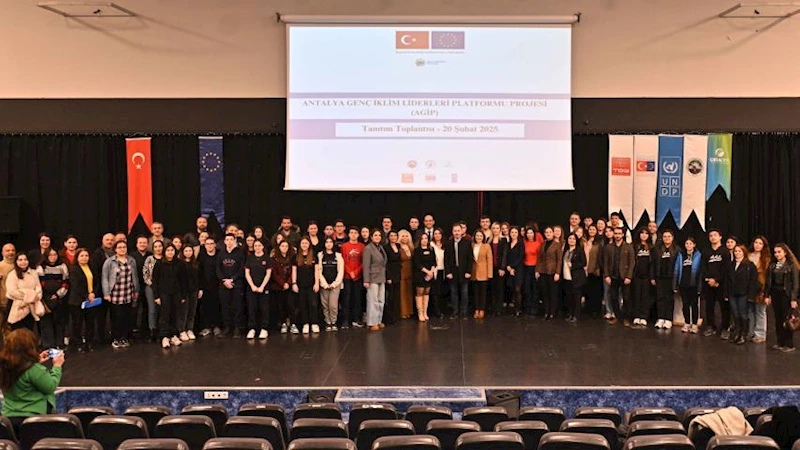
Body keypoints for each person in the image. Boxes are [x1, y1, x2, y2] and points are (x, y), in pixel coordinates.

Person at [0, 328, 65, 433]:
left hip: (9, 419)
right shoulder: (33, 369)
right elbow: (50, 386)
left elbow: (20, 371)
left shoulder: (4, 367)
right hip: (34, 420)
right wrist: (57, 367)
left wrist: (36, 361)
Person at [102, 240, 140, 349]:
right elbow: (105, 278)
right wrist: (106, 293)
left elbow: (135, 277)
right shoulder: (110, 262)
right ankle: (116, 338)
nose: (122, 249)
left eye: (124, 247)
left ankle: (124, 337)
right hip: (115, 294)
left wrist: (136, 291)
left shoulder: (131, 260)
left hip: (128, 293)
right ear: (115, 249)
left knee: (126, 317)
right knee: (116, 317)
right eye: (119, 247)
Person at [764, 243, 799, 353]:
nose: (777, 254)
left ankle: (789, 344)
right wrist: (767, 295)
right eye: (775, 252)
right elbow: (768, 282)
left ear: (785, 253)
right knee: (778, 318)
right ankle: (780, 342)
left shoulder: (791, 266)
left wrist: (793, 298)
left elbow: (795, 284)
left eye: (779, 252)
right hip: (776, 294)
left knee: (786, 319)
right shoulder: (773, 265)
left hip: (786, 295)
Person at [152, 244, 188, 349]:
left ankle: (173, 335)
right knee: (164, 315)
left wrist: (183, 296)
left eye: (172, 250)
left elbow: (183, 281)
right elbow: (155, 281)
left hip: (176, 293)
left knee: (175, 314)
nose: (170, 252)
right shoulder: (159, 264)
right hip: (164, 293)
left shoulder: (180, 264)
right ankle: (164, 337)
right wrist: (156, 296)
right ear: (164, 251)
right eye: (168, 250)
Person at [725, 244, 759, 345]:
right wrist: (726, 293)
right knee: (735, 313)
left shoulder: (749, 265)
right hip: (732, 293)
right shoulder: (730, 265)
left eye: (739, 251)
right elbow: (727, 280)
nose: (737, 253)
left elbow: (753, 281)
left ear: (744, 252)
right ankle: (737, 332)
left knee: (743, 314)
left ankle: (744, 334)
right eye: (735, 251)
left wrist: (751, 295)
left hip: (744, 293)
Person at [36, 249, 68, 349]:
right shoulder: (40, 268)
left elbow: (66, 282)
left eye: (55, 254)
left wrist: (58, 295)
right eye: (50, 255)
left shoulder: (62, 266)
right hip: (44, 298)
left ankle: (60, 343)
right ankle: (48, 345)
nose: (53, 257)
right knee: (46, 323)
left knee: (59, 322)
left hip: (58, 298)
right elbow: (38, 284)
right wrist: (45, 296)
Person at [68, 249, 99, 352]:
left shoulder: (92, 267)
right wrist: (87, 295)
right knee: (78, 323)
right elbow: (76, 285)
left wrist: (93, 293)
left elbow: (96, 281)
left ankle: (89, 342)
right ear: (77, 257)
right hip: (77, 301)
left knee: (90, 322)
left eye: (86, 255)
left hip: (91, 300)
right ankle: (78, 343)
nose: (84, 258)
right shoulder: (74, 269)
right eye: (82, 256)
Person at [603, 227, 635, 326]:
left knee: (626, 298)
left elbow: (632, 262)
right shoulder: (608, 247)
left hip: (624, 276)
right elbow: (605, 263)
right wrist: (606, 275)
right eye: (616, 233)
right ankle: (617, 316)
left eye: (619, 233)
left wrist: (629, 276)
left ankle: (626, 318)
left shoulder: (629, 246)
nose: (617, 235)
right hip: (613, 276)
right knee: (613, 297)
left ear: (622, 235)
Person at [702, 229, 730, 338]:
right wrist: (709, 279)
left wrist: (717, 280)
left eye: (715, 235)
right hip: (709, 283)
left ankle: (725, 328)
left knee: (724, 307)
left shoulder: (725, 251)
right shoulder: (706, 251)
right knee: (709, 306)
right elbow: (703, 267)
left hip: (721, 284)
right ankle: (711, 326)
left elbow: (726, 268)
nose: (713, 237)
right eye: (711, 235)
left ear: (720, 237)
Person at [216, 233, 245, 338]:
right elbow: (218, 268)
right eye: (227, 239)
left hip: (236, 284)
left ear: (235, 241)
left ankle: (237, 328)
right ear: (224, 241)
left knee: (237, 307)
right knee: (225, 307)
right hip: (224, 284)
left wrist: (232, 279)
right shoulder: (221, 254)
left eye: (231, 239)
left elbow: (242, 268)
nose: (229, 241)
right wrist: (224, 280)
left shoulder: (240, 253)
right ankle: (227, 327)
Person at [5, 254, 43, 332]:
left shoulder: (33, 273)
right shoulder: (12, 274)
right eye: (20, 260)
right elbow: (12, 291)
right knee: (17, 332)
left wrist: (34, 297)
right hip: (16, 306)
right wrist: (28, 296)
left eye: (25, 259)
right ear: (16, 262)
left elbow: (38, 288)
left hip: (31, 307)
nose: (23, 262)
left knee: (30, 332)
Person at [650, 230, 679, 330]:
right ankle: (660, 318)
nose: (667, 238)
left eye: (669, 236)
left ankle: (668, 319)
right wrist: (652, 277)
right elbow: (653, 264)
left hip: (671, 278)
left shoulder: (677, 249)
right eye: (665, 236)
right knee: (660, 298)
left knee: (669, 299)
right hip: (659, 277)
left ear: (672, 238)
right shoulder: (657, 249)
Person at [675, 237, 702, 333]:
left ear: (694, 245)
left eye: (690, 243)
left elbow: (700, 271)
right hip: (683, 283)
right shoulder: (681, 255)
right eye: (687, 243)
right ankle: (686, 323)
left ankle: (694, 324)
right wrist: (675, 284)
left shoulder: (698, 255)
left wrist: (699, 286)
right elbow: (676, 269)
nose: (688, 245)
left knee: (694, 305)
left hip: (694, 284)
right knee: (685, 304)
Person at [445, 223, 473, 319]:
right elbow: (446, 259)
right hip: (453, 272)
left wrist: (469, 271)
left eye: (458, 231)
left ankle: (464, 312)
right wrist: (448, 272)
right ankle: (455, 312)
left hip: (464, 272)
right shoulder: (448, 243)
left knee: (464, 292)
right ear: (452, 232)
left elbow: (470, 258)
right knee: (453, 292)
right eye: (455, 231)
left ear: (462, 231)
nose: (456, 233)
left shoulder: (467, 243)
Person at [244, 239, 271, 339]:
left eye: (259, 245)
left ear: (263, 246)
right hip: (252, 287)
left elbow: (268, 274)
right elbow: (247, 273)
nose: (257, 247)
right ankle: (252, 328)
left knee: (264, 308)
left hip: (264, 287)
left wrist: (262, 287)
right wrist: (252, 286)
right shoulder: (250, 258)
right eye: (255, 245)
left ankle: (264, 328)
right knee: (252, 308)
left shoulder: (267, 258)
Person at [293, 237, 320, 334]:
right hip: (300, 285)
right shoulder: (296, 256)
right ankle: (305, 324)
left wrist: (317, 283)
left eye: (306, 243)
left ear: (309, 245)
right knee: (302, 305)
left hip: (311, 285)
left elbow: (317, 270)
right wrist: (294, 283)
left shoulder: (314, 255)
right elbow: (294, 271)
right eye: (302, 243)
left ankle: (314, 323)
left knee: (313, 304)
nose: (304, 245)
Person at [92, 233, 115, 345]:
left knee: (114, 315)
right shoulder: (97, 254)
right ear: (102, 241)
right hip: (101, 289)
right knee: (101, 315)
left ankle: (114, 336)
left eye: (111, 240)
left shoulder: (117, 252)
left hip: (115, 289)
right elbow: (95, 273)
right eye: (107, 240)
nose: (109, 242)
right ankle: (101, 337)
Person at [363, 229, 388, 330]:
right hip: (372, 278)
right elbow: (366, 265)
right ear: (371, 237)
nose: (377, 237)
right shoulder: (368, 248)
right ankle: (372, 322)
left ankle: (378, 320)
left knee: (381, 300)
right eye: (375, 235)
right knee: (373, 301)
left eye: (379, 235)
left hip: (381, 277)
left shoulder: (381, 247)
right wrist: (366, 280)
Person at [536, 226, 563, 321]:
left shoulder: (557, 245)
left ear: (553, 233)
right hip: (543, 271)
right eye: (546, 232)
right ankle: (546, 311)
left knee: (553, 293)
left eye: (550, 232)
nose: (548, 234)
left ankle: (552, 312)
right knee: (545, 292)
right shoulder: (542, 244)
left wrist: (557, 272)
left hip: (552, 272)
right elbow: (539, 258)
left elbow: (559, 260)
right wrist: (537, 270)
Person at [340, 227, 365, 329]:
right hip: (347, 276)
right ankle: (345, 320)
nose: (353, 234)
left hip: (358, 277)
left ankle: (356, 319)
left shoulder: (362, 246)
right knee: (346, 299)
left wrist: (356, 272)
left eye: (355, 233)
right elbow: (343, 260)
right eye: (351, 232)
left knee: (357, 299)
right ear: (349, 234)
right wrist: (350, 271)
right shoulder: (344, 246)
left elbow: (363, 262)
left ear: (358, 235)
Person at [748, 236, 771, 343]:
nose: (757, 245)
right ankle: (750, 332)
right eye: (756, 242)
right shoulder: (748, 255)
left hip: (761, 287)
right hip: (749, 286)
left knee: (760, 311)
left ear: (763, 246)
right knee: (750, 311)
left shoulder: (766, 258)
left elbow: (768, 277)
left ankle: (760, 334)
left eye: (760, 243)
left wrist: (766, 293)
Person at [318, 237, 343, 331]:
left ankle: (333, 321)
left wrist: (334, 284)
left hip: (335, 285)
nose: (329, 244)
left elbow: (341, 271)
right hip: (324, 285)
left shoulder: (338, 256)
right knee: (325, 305)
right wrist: (324, 284)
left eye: (330, 242)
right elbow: (319, 271)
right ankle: (328, 322)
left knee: (333, 305)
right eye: (327, 242)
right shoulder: (320, 255)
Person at [270, 240, 295, 334]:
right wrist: (282, 284)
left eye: (286, 246)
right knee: (281, 306)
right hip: (278, 287)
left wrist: (288, 283)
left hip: (289, 286)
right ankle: (283, 323)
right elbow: (274, 274)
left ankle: (292, 324)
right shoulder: (274, 259)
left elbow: (293, 272)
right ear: (279, 247)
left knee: (291, 306)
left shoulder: (292, 258)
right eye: (282, 246)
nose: (284, 248)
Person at [198, 237, 221, 337]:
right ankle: (207, 327)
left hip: (218, 286)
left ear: (215, 244)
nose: (210, 246)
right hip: (205, 286)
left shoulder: (219, 255)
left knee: (217, 306)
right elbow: (199, 273)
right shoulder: (202, 256)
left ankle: (217, 326)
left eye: (212, 243)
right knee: (206, 307)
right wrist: (200, 287)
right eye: (207, 244)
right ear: (205, 245)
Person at [630, 229, 653, 328]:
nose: (644, 235)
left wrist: (651, 276)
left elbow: (653, 263)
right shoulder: (634, 246)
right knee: (636, 295)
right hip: (636, 275)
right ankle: (636, 316)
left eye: (646, 233)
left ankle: (644, 316)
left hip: (647, 276)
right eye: (642, 233)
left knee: (645, 297)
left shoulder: (651, 247)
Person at [141, 240, 164, 341]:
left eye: (160, 246)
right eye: (156, 247)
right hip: (150, 287)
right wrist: (153, 285)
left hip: (164, 288)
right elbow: (145, 273)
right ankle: (152, 330)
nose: (158, 248)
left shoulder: (165, 258)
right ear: (153, 248)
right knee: (152, 310)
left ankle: (162, 330)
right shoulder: (149, 259)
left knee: (163, 309)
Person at [130, 236, 151, 338]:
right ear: (136, 244)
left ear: (147, 244)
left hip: (148, 286)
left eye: (144, 242)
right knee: (134, 308)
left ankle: (145, 329)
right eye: (140, 243)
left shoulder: (151, 256)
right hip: (135, 286)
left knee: (147, 308)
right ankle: (132, 328)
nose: (142, 244)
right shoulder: (131, 256)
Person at [562, 233, 587, 322]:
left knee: (576, 297)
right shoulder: (566, 250)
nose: (571, 240)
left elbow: (584, 263)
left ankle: (576, 315)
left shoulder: (579, 250)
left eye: (573, 239)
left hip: (577, 277)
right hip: (566, 277)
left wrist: (573, 265)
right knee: (569, 297)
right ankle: (570, 314)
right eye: (570, 238)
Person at [412, 232, 436, 322]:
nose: (424, 240)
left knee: (427, 291)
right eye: (422, 238)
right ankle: (420, 313)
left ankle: (425, 312)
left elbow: (434, 262)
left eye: (426, 238)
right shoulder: (417, 250)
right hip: (420, 274)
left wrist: (431, 271)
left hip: (429, 275)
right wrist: (427, 271)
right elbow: (417, 263)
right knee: (420, 291)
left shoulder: (431, 249)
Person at [178, 246, 200, 341]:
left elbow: (199, 277)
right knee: (184, 311)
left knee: (192, 311)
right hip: (183, 291)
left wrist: (200, 289)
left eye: (190, 250)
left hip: (194, 290)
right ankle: (182, 330)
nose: (188, 252)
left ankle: (190, 329)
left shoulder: (196, 263)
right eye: (186, 251)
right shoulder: (179, 264)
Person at [470, 230, 493, 320]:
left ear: (483, 237)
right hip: (473, 272)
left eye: (480, 236)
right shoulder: (472, 245)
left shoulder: (486, 246)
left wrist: (489, 274)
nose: (478, 237)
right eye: (477, 236)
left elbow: (489, 260)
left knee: (483, 293)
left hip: (484, 272)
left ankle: (482, 310)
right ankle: (476, 309)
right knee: (475, 293)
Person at [522, 226, 543, 316]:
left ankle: (535, 308)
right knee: (527, 289)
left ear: (534, 234)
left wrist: (538, 270)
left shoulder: (538, 244)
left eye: (531, 233)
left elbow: (540, 258)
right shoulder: (524, 243)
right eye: (528, 233)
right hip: (526, 268)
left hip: (535, 268)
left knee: (535, 289)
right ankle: (527, 307)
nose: (529, 235)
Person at [583, 224, 603, 317]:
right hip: (586, 270)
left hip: (595, 269)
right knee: (587, 290)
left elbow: (600, 256)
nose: (591, 231)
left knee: (596, 291)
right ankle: (588, 309)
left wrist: (598, 267)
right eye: (590, 229)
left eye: (593, 229)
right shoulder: (585, 241)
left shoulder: (599, 242)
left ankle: (596, 310)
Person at [488, 223, 508, 317]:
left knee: (500, 288)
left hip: (500, 267)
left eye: (497, 228)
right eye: (494, 228)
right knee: (492, 288)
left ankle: (499, 309)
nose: (495, 230)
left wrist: (502, 268)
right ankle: (493, 308)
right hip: (491, 267)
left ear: (500, 230)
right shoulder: (489, 240)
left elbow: (505, 254)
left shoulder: (503, 240)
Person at [383, 230, 402, 324]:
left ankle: (396, 316)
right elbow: (385, 263)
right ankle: (389, 317)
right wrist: (388, 277)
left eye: (395, 235)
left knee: (397, 296)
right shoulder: (385, 247)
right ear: (388, 237)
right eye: (391, 235)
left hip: (398, 273)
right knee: (390, 296)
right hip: (390, 273)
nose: (393, 237)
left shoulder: (398, 246)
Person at [505, 227, 525, 316]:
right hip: (509, 269)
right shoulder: (508, 244)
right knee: (512, 289)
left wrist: (512, 267)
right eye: (512, 232)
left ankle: (518, 309)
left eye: (515, 232)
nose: (513, 234)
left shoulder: (521, 244)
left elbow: (521, 257)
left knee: (518, 289)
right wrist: (508, 267)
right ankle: (514, 308)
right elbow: (506, 256)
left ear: (518, 234)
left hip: (518, 269)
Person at [430, 228, 446, 319]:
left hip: (443, 270)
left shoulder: (445, 245)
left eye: (439, 233)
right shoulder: (431, 245)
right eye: (435, 233)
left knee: (441, 291)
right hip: (434, 271)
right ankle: (436, 311)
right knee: (435, 292)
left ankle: (442, 309)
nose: (437, 235)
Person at [398, 229, 414, 319]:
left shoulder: (411, 247)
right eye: (402, 236)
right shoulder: (398, 248)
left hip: (410, 271)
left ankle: (409, 311)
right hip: (402, 272)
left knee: (409, 292)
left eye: (406, 236)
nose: (404, 238)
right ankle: (403, 312)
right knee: (402, 292)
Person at [0, 244, 17, 331]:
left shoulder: (20, 265)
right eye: (8, 250)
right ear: (2, 253)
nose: (11, 252)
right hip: (3, 303)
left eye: (13, 250)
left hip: (18, 303)